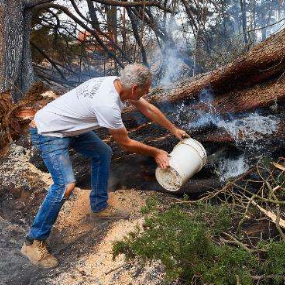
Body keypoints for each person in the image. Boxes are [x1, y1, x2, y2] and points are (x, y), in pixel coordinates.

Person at [20, 63, 189, 268]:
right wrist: (156, 152)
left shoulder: (116, 83)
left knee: (102, 152)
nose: (149, 91)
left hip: (68, 128)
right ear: (135, 89)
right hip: (48, 132)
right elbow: (125, 143)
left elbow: (147, 107)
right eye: (147, 88)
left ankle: (98, 208)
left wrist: (173, 129)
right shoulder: (107, 105)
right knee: (65, 185)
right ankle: (33, 241)